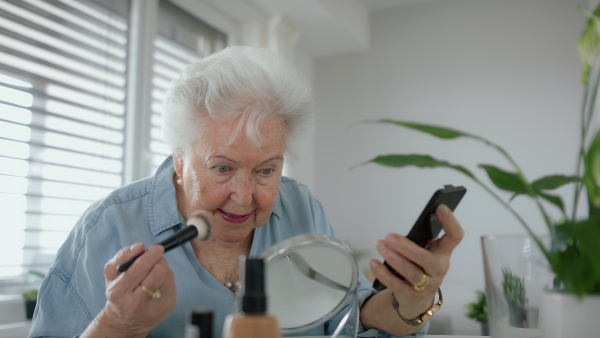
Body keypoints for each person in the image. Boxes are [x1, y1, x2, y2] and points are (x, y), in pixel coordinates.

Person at [29, 46, 464, 338]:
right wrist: (116, 323)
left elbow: (351, 320)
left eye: (266, 170)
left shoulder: (301, 209)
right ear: (180, 159)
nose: (243, 196)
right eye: (222, 167)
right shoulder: (109, 228)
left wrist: (413, 301)